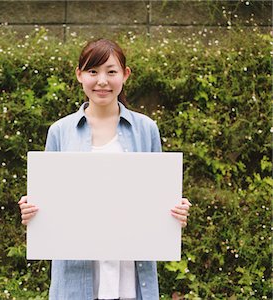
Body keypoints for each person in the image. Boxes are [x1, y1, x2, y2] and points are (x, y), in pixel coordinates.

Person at [18, 38, 191, 300]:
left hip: (131, 278)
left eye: (111, 72)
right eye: (92, 71)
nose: (102, 81)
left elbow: (157, 197)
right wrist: (33, 211)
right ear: (79, 75)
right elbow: (49, 201)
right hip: (76, 279)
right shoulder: (60, 131)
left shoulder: (146, 129)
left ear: (125, 75)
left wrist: (174, 212)